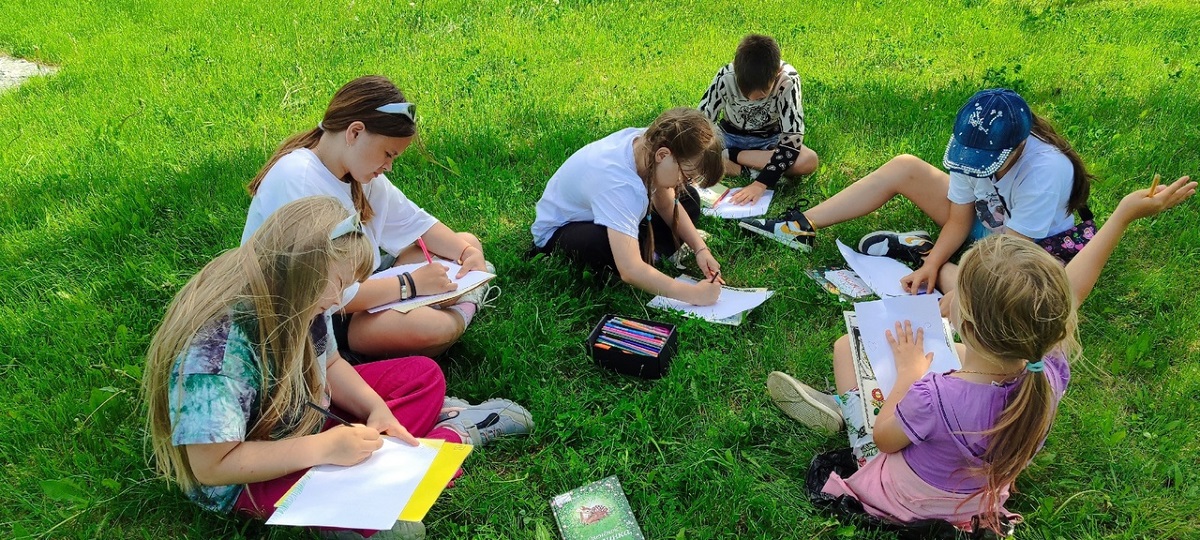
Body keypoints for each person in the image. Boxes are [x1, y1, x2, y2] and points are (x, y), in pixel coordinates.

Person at [765, 178, 1195, 533]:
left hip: (908, 499)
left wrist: (909, 374)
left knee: (847, 349)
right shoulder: (1047, 371)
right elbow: (1073, 289)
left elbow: (886, 440)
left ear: (964, 325)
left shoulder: (932, 396)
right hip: (978, 501)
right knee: (924, 359)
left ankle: (846, 408)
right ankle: (845, 402)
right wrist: (1121, 216)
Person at [144, 197, 533, 539]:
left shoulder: (303, 295)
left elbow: (329, 362)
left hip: (306, 417)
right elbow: (212, 466)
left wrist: (375, 409)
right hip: (249, 474)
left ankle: (365, 487)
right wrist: (322, 448)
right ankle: (450, 436)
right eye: (342, 283)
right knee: (388, 529)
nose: (340, 299)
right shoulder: (216, 355)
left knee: (423, 376)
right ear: (303, 274)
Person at [738, 89, 1153, 316]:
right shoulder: (974, 148)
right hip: (986, 227)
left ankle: (921, 253)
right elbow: (958, 217)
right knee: (904, 167)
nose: (975, 168)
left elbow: (1004, 259)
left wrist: (952, 295)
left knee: (1007, 305)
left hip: (1029, 250)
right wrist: (936, 264)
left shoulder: (1047, 170)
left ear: (1018, 146)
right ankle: (800, 226)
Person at [243, 75, 494, 363]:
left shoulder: (357, 173)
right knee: (434, 328)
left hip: (363, 287)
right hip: (317, 314)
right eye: (387, 154)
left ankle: (440, 308)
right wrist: (410, 285)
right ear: (355, 133)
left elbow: (416, 224)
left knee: (466, 242)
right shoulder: (297, 179)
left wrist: (467, 252)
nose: (388, 166)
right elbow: (326, 292)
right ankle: (462, 309)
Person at [529, 107, 727, 306]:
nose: (683, 182)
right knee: (604, 245)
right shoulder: (619, 185)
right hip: (562, 230)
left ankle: (647, 252)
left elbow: (666, 202)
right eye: (686, 175)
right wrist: (694, 294)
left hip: (614, 211)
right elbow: (630, 270)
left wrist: (700, 249)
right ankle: (647, 255)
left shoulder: (651, 143)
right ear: (662, 155)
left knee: (687, 198)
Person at [698, 33, 819, 206]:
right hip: (728, 136)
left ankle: (731, 159)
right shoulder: (725, 76)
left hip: (769, 142)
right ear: (735, 69)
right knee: (695, 152)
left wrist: (760, 184)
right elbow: (702, 121)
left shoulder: (788, 80)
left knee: (809, 160)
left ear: (777, 73)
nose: (752, 99)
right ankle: (747, 168)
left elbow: (792, 139)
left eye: (762, 95)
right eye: (743, 91)